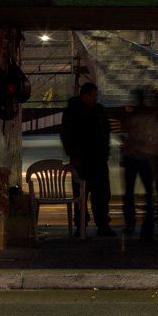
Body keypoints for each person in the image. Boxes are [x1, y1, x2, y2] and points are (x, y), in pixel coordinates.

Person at [61, 80, 115, 237]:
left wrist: (72, 153)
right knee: (97, 194)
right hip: (90, 160)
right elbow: (105, 133)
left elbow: (66, 134)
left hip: (86, 160)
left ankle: (84, 225)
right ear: (85, 96)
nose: (95, 98)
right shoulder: (97, 111)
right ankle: (100, 224)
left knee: (88, 195)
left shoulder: (73, 111)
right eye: (93, 95)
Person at [118, 88, 158, 240]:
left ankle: (132, 223)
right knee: (153, 194)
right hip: (151, 158)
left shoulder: (135, 117)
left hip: (135, 157)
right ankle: (157, 224)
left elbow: (128, 136)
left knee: (132, 192)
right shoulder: (157, 118)